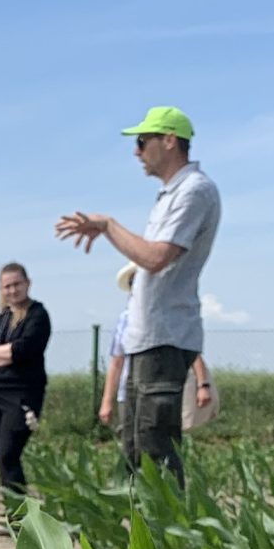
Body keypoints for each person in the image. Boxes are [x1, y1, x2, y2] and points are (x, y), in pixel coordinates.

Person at [55, 106, 220, 485]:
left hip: (164, 338)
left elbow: (155, 257)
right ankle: (138, 521)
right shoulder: (170, 194)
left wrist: (108, 225)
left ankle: (166, 525)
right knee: (135, 450)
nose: (136, 151)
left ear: (170, 140)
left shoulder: (195, 191)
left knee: (155, 452)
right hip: (146, 339)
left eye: (142, 142)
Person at [0, 263, 50, 524]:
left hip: (22, 395)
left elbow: (25, 349)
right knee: (1, 456)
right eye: (7, 286)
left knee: (9, 453)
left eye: (17, 284)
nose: (12, 290)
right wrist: (6, 354)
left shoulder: (38, 315)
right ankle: (13, 510)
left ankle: (19, 515)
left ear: (27, 283)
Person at [100, 263, 213, 432]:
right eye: (133, 282)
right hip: (128, 393)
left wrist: (203, 385)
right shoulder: (125, 319)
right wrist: (107, 401)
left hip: (162, 390)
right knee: (130, 438)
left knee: (158, 436)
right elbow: (117, 362)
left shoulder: (167, 316)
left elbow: (190, 352)